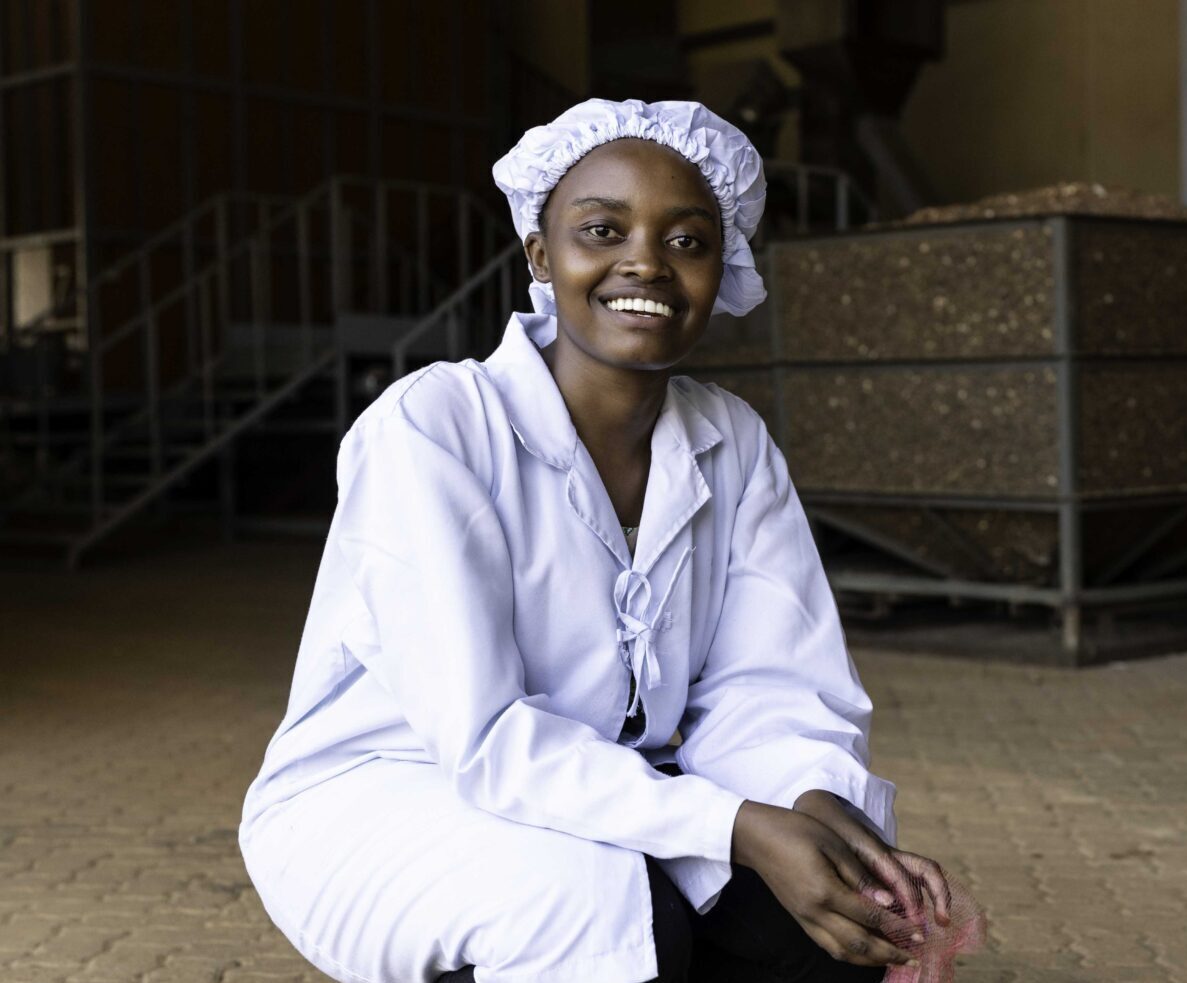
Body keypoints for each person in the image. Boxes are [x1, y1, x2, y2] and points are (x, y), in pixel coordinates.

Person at [238, 98, 951, 983]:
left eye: (687, 240)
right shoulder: (434, 427)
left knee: (826, 917)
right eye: (602, 229)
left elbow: (773, 682)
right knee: (601, 914)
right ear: (541, 253)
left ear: (721, 266)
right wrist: (734, 824)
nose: (644, 261)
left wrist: (812, 809)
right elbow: (485, 735)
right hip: (394, 792)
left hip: (608, 788)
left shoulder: (732, 440)